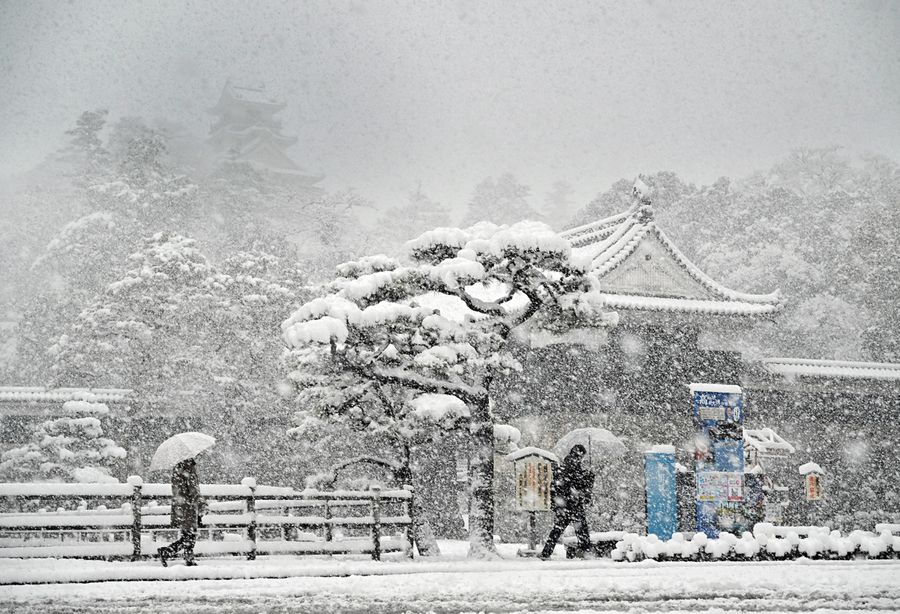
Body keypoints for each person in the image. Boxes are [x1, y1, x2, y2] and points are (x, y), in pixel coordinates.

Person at [540, 444, 595, 559]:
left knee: (557, 529)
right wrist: (588, 476)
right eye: (582, 455)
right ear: (579, 454)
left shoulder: (566, 464)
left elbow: (560, 484)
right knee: (581, 529)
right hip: (572, 503)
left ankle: (546, 552)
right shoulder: (572, 464)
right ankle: (586, 552)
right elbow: (576, 483)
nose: (582, 458)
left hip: (564, 504)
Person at [158, 457, 203, 567]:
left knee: (188, 534)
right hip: (188, 507)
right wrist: (201, 504)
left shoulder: (178, 469)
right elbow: (193, 491)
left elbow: (179, 490)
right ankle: (167, 552)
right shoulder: (188, 470)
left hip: (180, 507)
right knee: (190, 535)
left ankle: (188, 558)